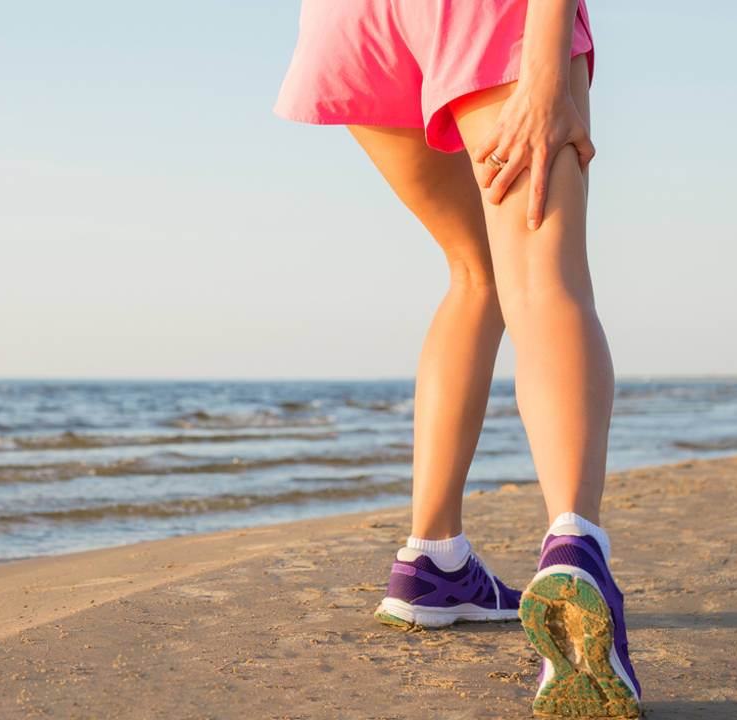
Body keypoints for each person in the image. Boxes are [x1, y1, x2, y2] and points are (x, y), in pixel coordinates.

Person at [273, 1, 639, 717]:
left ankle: (433, 560)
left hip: (351, 18)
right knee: (542, 275)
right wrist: (543, 70)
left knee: (475, 268)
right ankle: (576, 551)